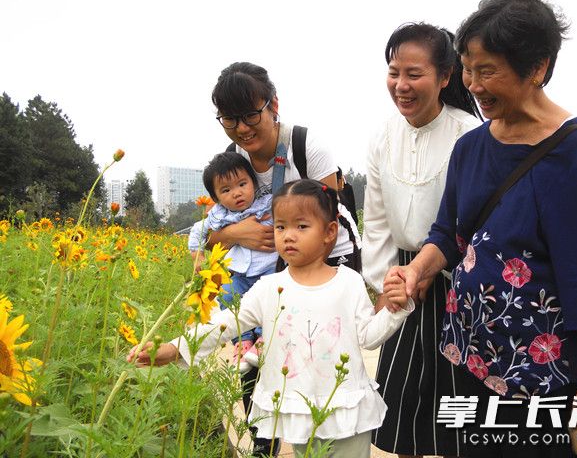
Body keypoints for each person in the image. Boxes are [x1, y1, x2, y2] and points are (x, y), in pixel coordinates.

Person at [382, 0, 577, 457]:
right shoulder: (472, 147)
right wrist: (418, 270)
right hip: (474, 359)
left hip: (550, 373)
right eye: (469, 70)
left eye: (487, 71)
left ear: (536, 68)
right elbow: (447, 235)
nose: (473, 85)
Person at [129, 179, 415, 458]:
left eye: (301, 226)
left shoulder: (349, 282)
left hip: (345, 409)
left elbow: (368, 336)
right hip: (300, 413)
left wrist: (394, 309)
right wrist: (175, 347)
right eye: (280, 226)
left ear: (329, 232)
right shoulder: (269, 288)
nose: (288, 235)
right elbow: (226, 323)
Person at [362, 22, 480, 458]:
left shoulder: (469, 134)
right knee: (405, 406)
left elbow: (477, 220)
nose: (401, 85)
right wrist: (381, 286)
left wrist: (436, 267)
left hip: (460, 279)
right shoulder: (382, 136)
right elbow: (375, 221)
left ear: (445, 76)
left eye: (414, 73)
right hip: (401, 281)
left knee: (458, 402)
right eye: (394, 72)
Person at [209, 61, 361, 272]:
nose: (242, 128)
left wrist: (290, 279)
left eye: (251, 115)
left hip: (331, 256)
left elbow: (328, 226)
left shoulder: (307, 148)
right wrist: (235, 234)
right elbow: (209, 235)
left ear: (274, 105)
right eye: (229, 119)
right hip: (274, 264)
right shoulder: (232, 160)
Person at [189, 151, 278, 373]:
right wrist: (197, 256)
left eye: (242, 184)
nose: (237, 193)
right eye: (226, 190)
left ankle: (263, 339)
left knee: (269, 303)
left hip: (268, 271)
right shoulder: (219, 215)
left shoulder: (268, 204)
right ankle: (243, 341)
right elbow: (197, 231)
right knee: (227, 296)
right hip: (238, 274)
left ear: (253, 182)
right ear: (216, 198)